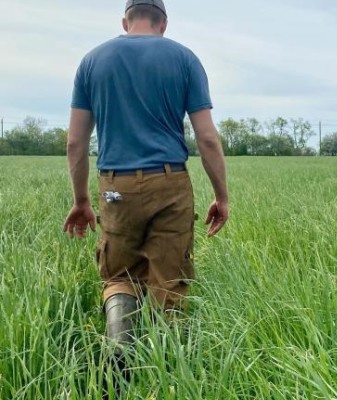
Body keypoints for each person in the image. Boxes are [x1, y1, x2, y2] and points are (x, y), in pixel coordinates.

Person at [63, 0, 228, 353]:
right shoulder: (185, 59)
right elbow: (208, 138)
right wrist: (222, 196)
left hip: (115, 187)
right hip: (170, 183)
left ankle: (118, 349)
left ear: (126, 21)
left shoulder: (92, 61)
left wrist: (81, 201)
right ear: (163, 24)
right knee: (170, 280)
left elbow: (75, 141)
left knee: (120, 275)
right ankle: (170, 366)